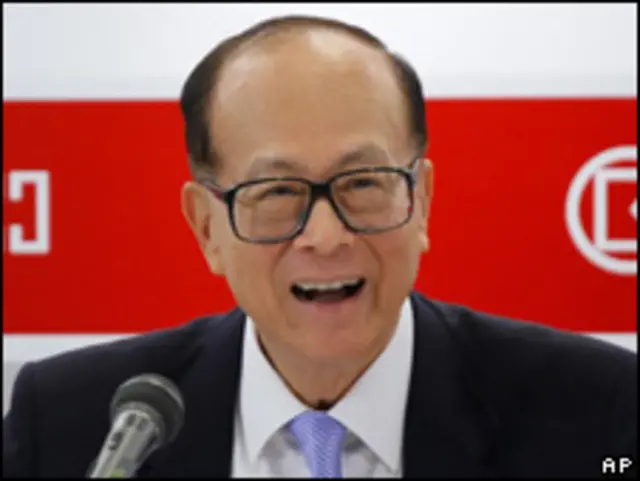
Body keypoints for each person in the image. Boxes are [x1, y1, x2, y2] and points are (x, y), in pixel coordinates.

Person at [3, 15, 637, 479]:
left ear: (421, 200)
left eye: (363, 182)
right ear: (206, 228)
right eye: (277, 191)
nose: (327, 238)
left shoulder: (599, 415)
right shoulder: (67, 427)